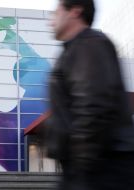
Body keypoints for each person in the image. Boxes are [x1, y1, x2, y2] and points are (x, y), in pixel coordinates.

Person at [47, 0, 134, 189]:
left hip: (101, 168)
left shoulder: (89, 45)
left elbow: (93, 107)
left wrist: (81, 165)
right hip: (87, 168)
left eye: (57, 11)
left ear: (75, 11)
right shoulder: (73, 50)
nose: (51, 19)